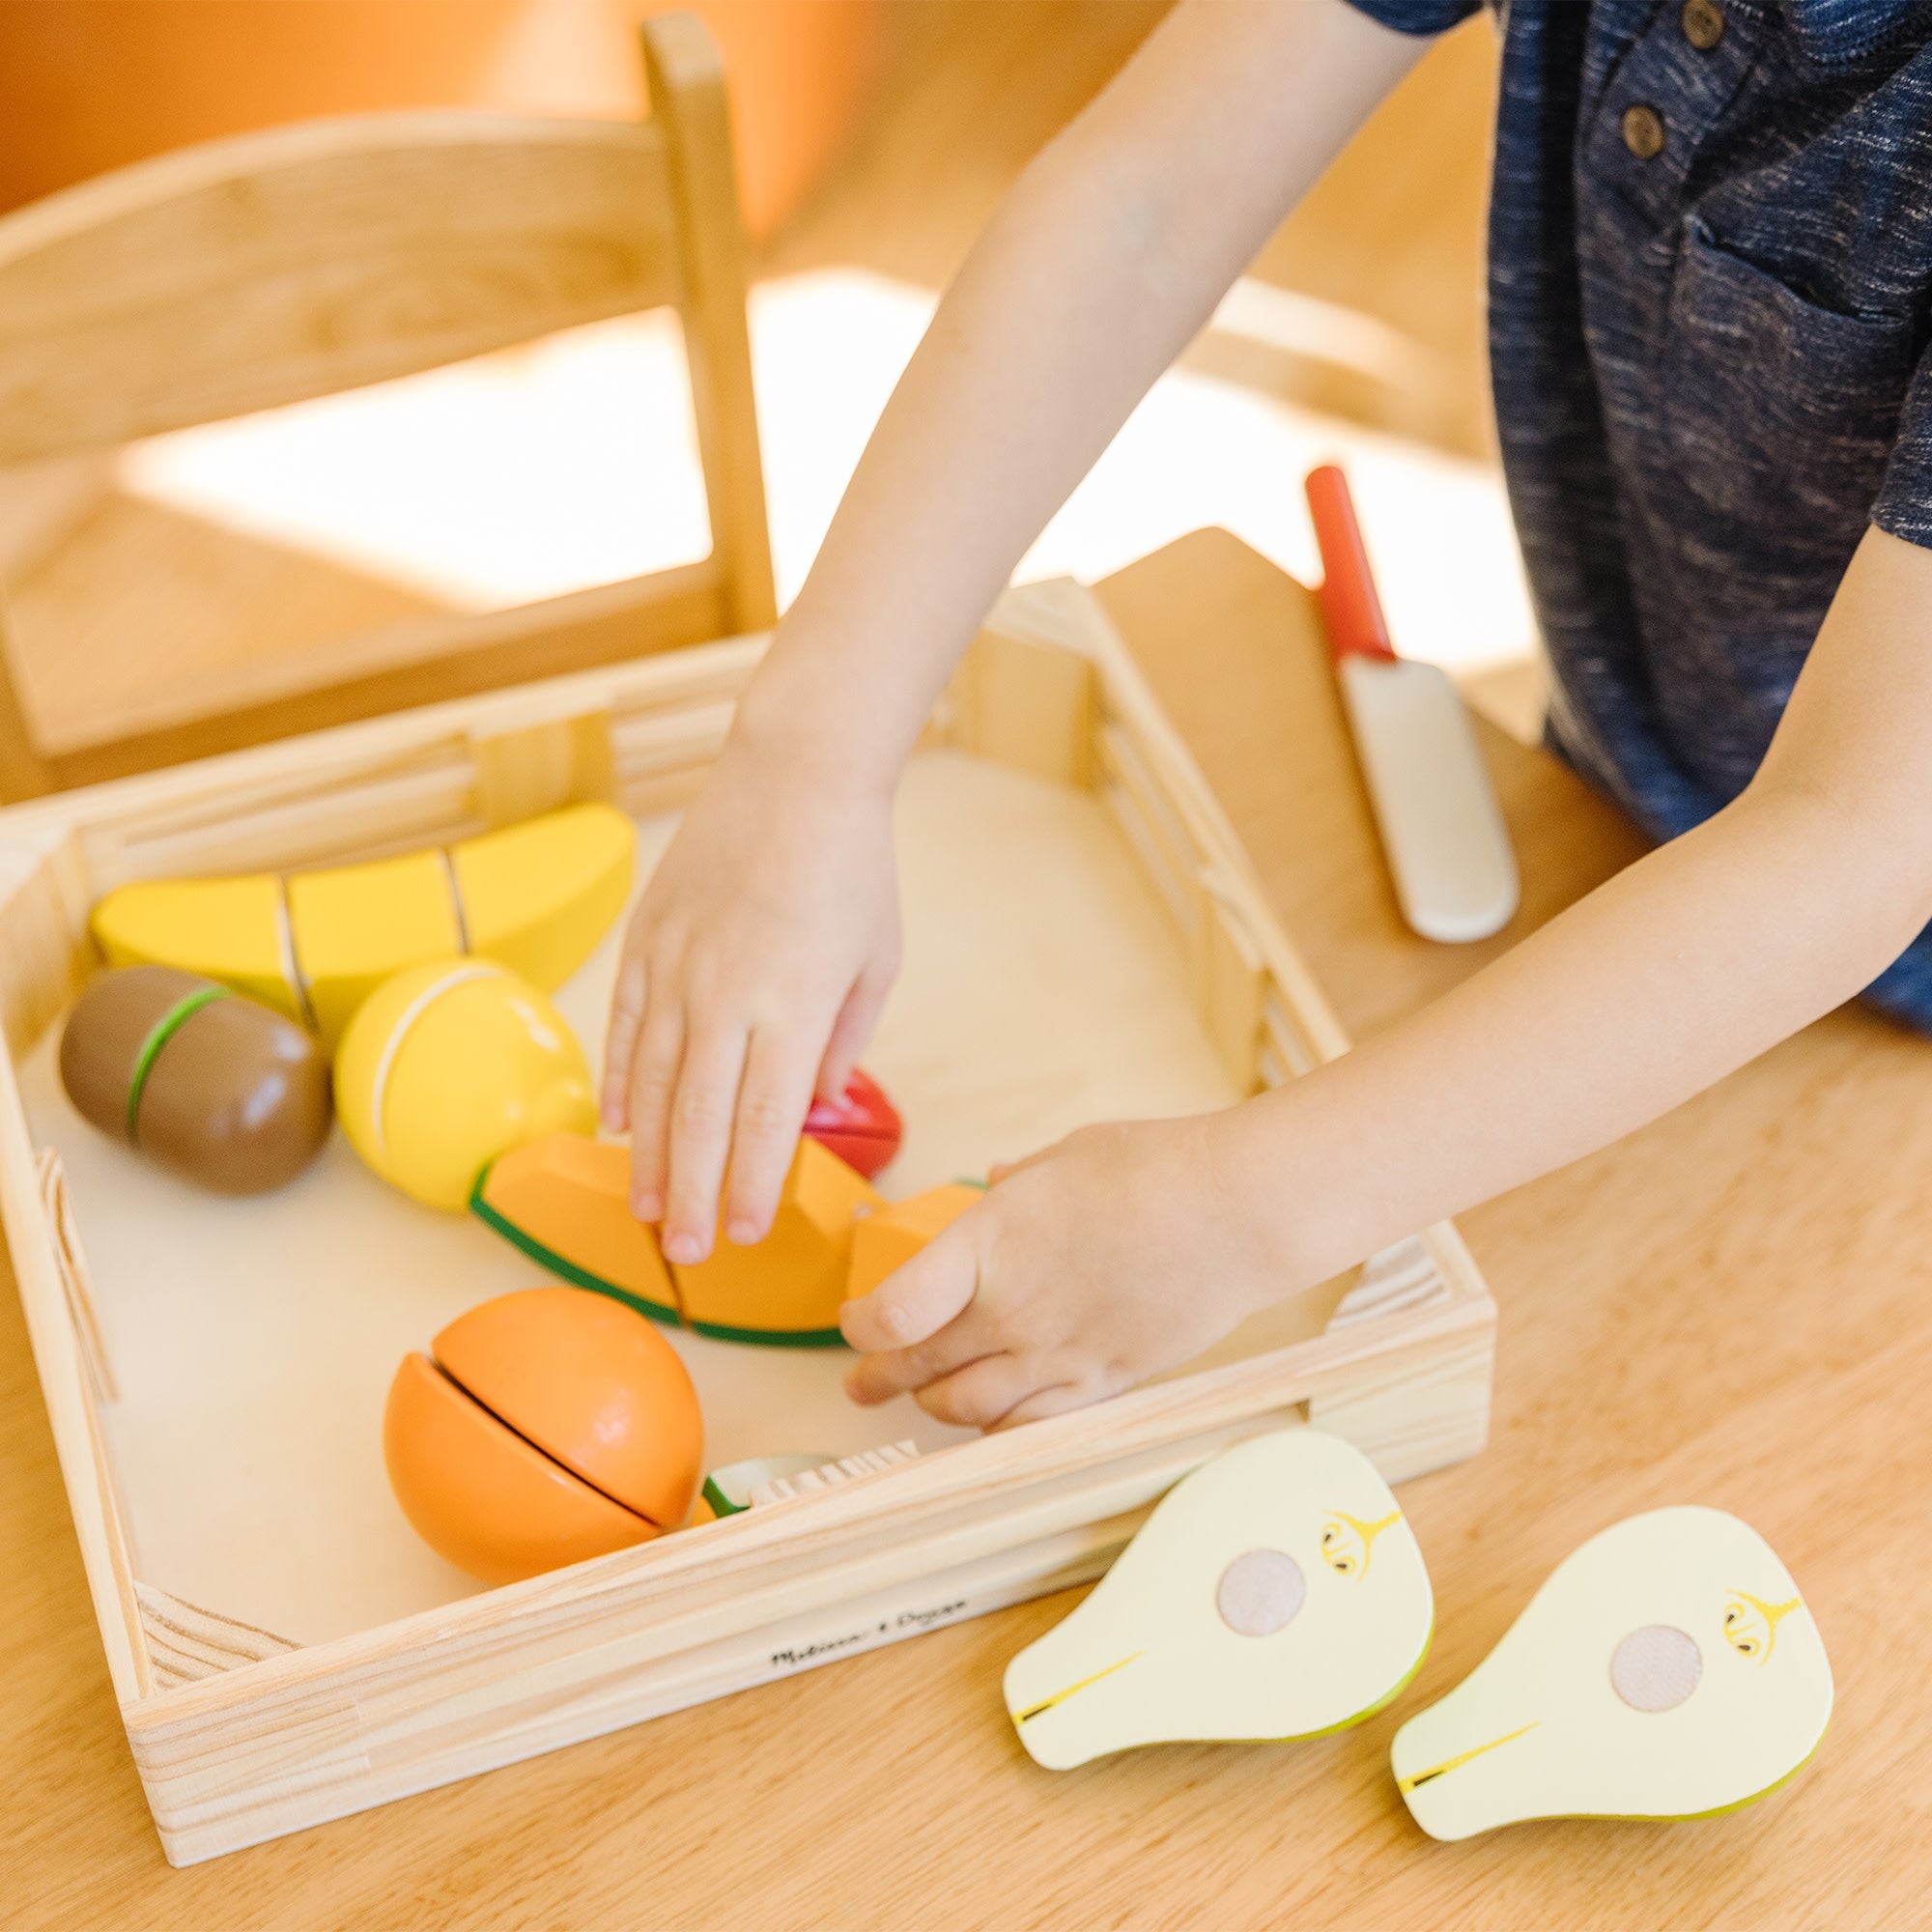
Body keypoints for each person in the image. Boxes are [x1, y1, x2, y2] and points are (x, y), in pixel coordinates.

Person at [602, 0, 1932, 1430]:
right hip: (1656, 819)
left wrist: (1235, 1214)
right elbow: (1141, 205)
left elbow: (1858, 833)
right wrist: (808, 752)